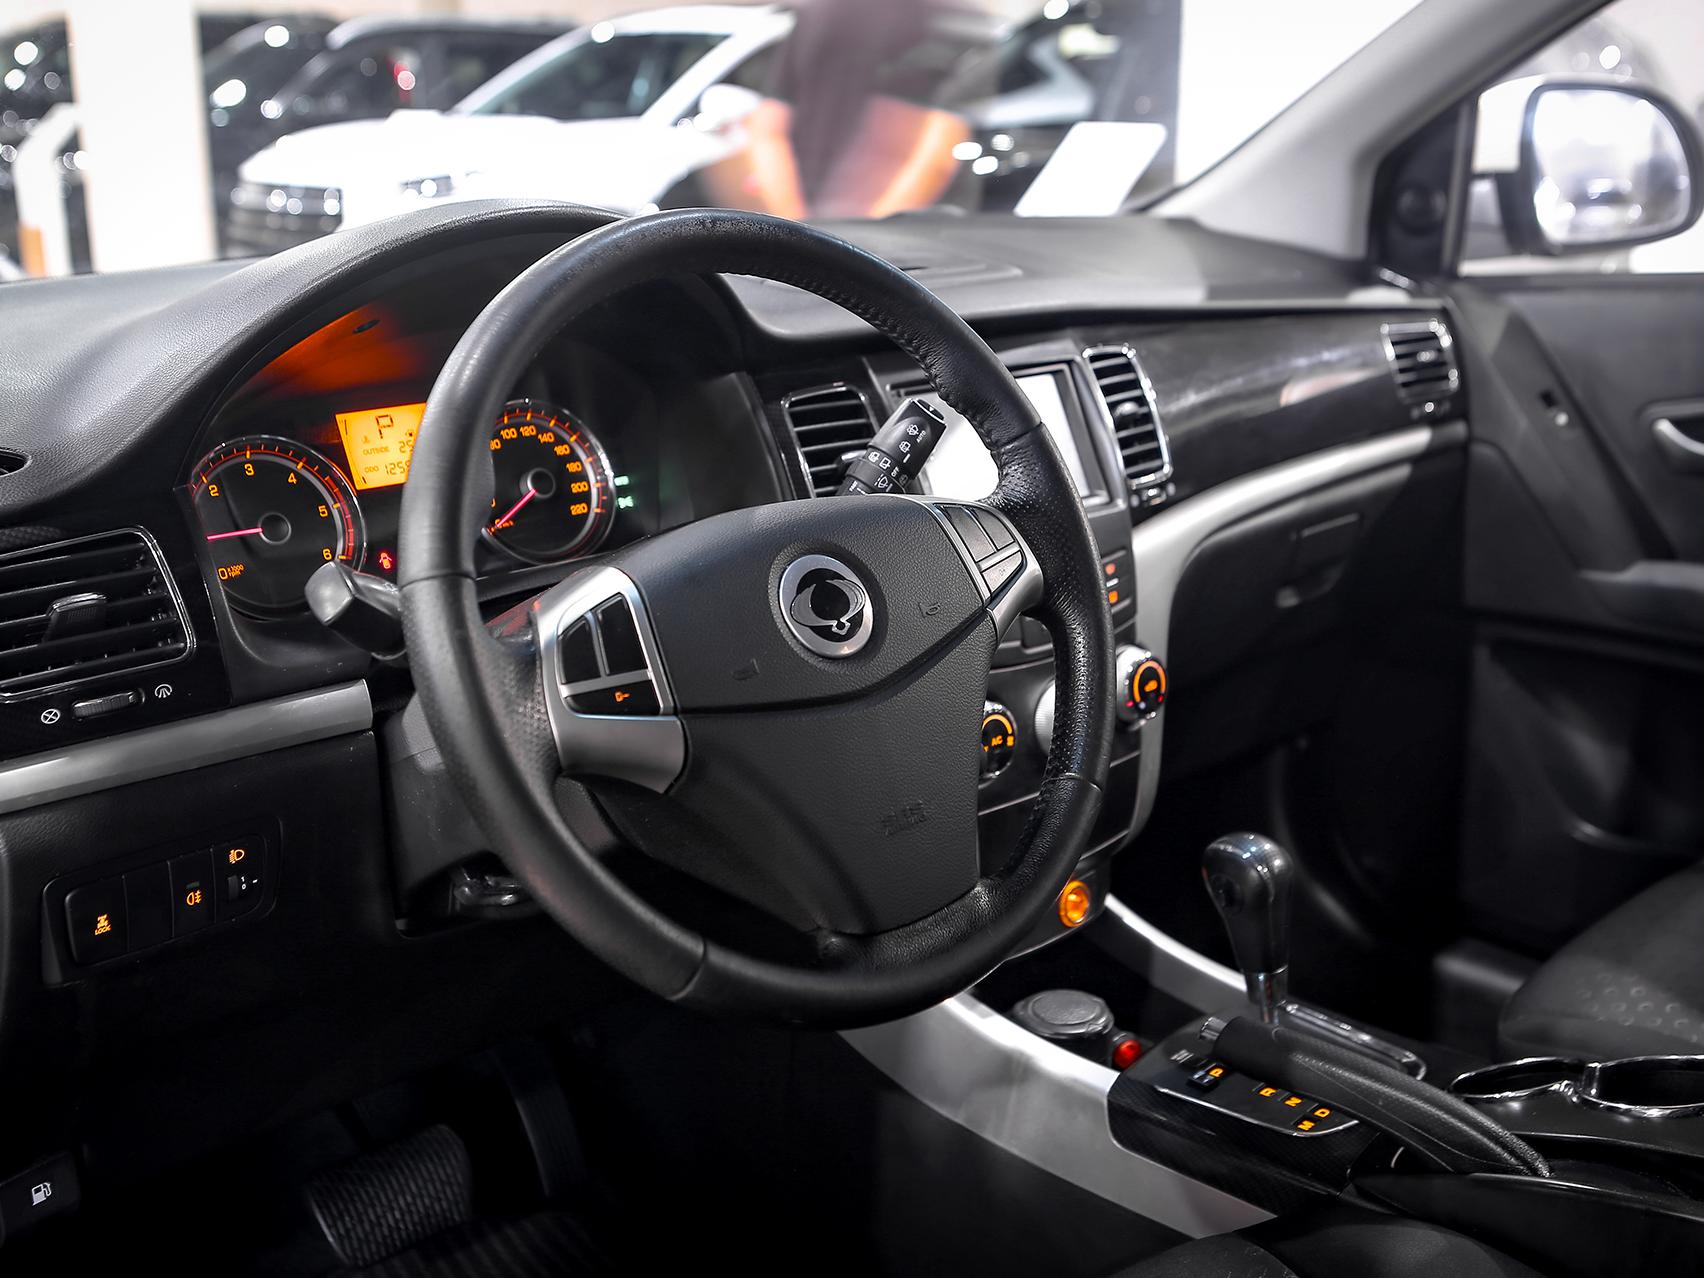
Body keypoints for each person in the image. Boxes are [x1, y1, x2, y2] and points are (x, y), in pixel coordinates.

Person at [703, 0, 970, 219]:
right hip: (892, 241)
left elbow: (769, 128)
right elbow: (935, 143)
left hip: (844, 235)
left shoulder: (819, 12)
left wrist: (799, 227)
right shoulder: (940, 17)